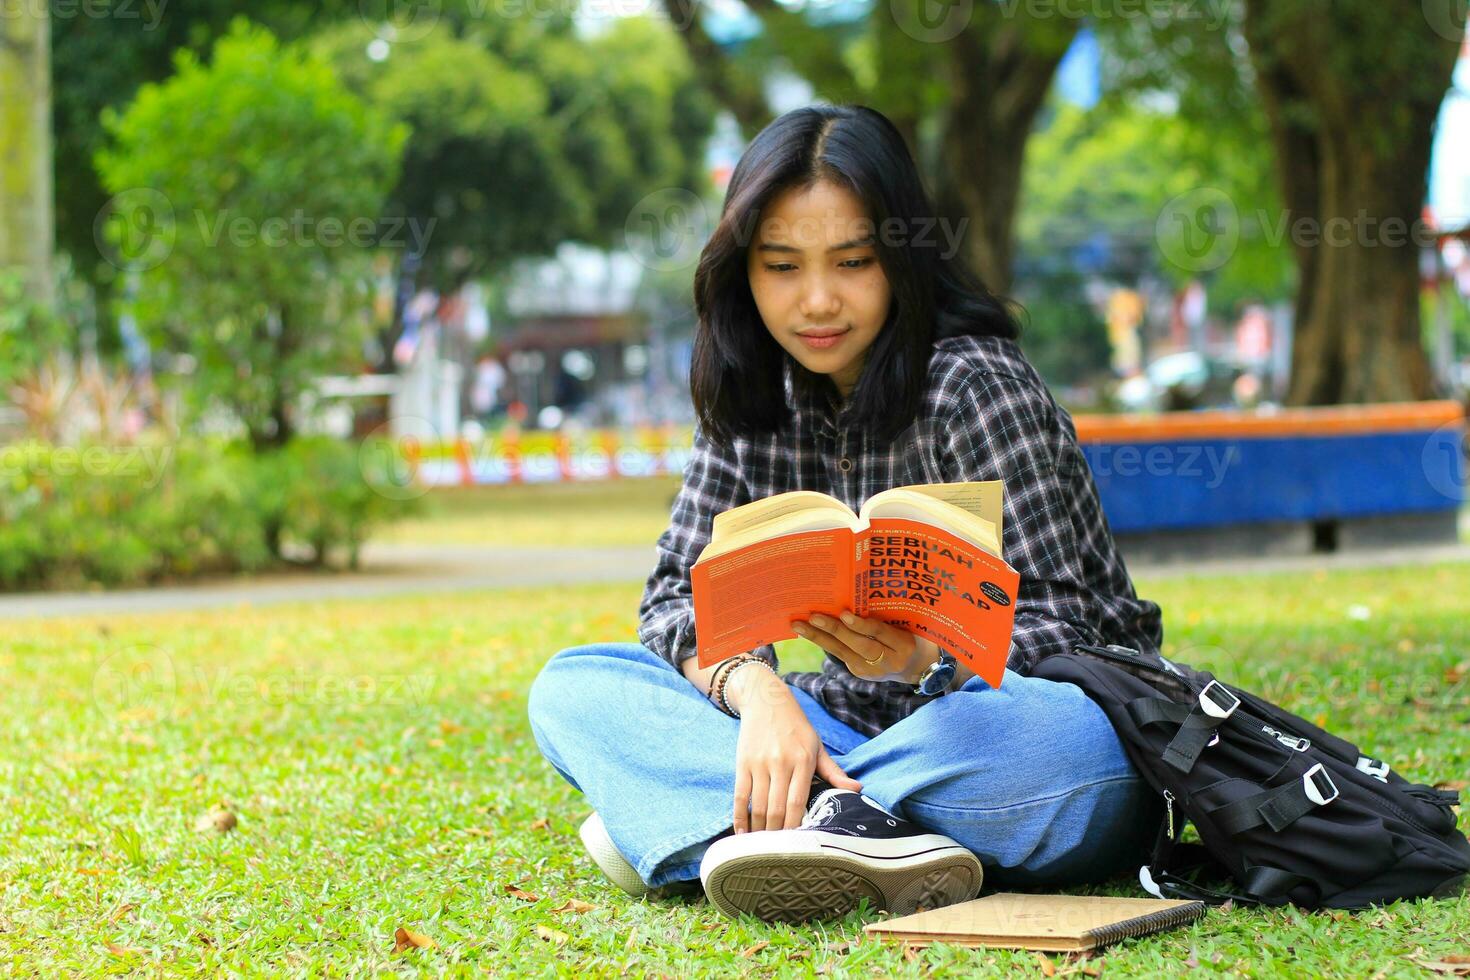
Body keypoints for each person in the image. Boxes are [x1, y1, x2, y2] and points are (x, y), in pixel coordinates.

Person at [528, 104, 1166, 924]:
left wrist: (920, 660)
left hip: (1014, 741)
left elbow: (1074, 636)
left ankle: (732, 818)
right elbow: (671, 603)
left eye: (853, 262)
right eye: (782, 266)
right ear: (742, 271)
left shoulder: (976, 386)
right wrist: (758, 694)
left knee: (1057, 747)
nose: (818, 301)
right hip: (845, 732)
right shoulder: (755, 399)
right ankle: (848, 826)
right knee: (576, 686)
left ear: (900, 259)